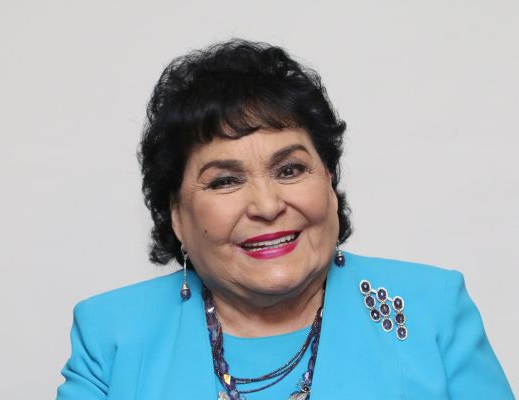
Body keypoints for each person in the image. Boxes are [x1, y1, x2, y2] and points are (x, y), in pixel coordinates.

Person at [56, 39, 514, 400]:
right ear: (177, 215)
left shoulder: (432, 311)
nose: (267, 204)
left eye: (290, 170)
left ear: (329, 181)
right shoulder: (111, 336)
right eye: (225, 181)